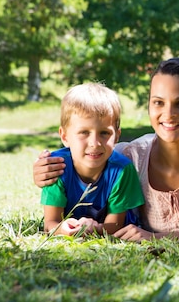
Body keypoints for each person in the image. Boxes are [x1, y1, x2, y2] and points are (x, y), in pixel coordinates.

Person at [34, 58, 179, 242]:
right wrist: (42, 171)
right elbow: (83, 157)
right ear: (149, 105)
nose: (168, 114)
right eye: (158, 102)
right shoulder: (132, 157)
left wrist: (158, 238)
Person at [41, 83, 145, 236]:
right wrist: (63, 229)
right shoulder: (56, 167)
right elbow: (50, 222)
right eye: (84, 132)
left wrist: (94, 229)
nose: (95, 143)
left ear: (117, 135)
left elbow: (115, 225)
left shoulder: (122, 170)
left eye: (104, 133)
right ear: (64, 136)